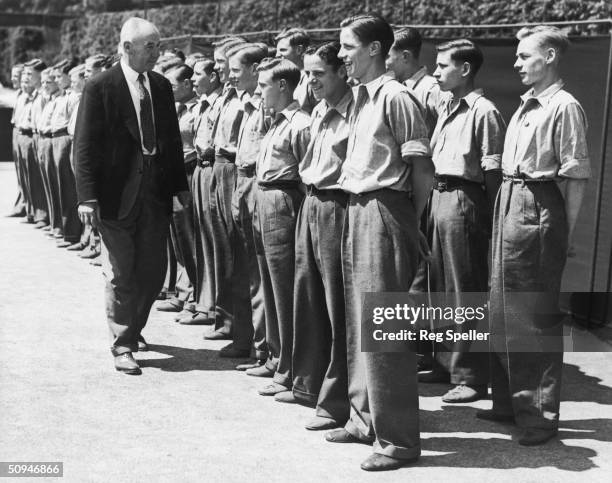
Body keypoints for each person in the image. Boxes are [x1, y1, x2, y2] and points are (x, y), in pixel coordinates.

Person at [325, 14, 433, 471]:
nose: (342, 55)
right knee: (357, 322)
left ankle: (399, 440)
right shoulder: (361, 99)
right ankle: (363, 417)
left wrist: (413, 222)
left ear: (374, 49)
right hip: (358, 209)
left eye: (348, 47)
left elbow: (422, 168)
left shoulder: (396, 97)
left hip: (386, 211)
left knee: (385, 328)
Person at [480, 25, 591, 445]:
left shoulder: (565, 107)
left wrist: (565, 232)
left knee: (534, 317)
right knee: (500, 307)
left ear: (549, 57)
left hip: (538, 206)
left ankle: (539, 417)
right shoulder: (528, 105)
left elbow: (575, 177)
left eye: (525, 56)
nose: (516, 63)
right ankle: (510, 404)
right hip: (509, 201)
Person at [74, 17, 189, 375]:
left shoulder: (161, 86)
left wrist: (179, 189)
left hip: (155, 193)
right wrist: (86, 197)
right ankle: (122, 344)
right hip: (115, 196)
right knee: (121, 272)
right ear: (127, 48)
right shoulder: (99, 87)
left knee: (154, 271)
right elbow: (84, 148)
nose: (158, 53)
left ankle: (134, 328)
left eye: (159, 45)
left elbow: (170, 143)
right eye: (151, 47)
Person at [418, 40, 505, 402]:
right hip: (438, 197)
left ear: (465, 69)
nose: (436, 73)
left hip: (463, 199)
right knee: (436, 286)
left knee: (465, 289)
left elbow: (493, 173)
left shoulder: (483, 111)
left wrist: (485, 215)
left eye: (443, 66)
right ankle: (443, 362)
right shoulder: (448, 106)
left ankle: (470, 375)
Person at [288, 42, 351, 427]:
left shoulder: (354, 113)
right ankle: (309, 386)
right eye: (307, 73)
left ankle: (337, 401)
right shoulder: (320, 112)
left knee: (338, 309)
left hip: (337, 207)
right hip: (311, 203)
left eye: (318, 73)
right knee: (308, 301)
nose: (310, 80)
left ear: (341, 72)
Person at [252, 58, 311, 397]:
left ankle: (291, 370)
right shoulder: (276, 122)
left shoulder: (299, 124)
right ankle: (277, 358)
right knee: (271, 289)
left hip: (283, 202)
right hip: (265, 199)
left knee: (287, 290)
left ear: (283, 87)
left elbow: (306, 178)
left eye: (264, 86)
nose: (260, 92)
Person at [225, 43, 269, 360]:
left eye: (236, 70)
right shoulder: (249, 103)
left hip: (257, 182)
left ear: (255, 69)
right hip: (241, 180)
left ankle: (264, 347)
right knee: (243, 267)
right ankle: (247, 339)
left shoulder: (268, 106)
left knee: (261, 271)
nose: (230, 77)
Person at [385, 27, 443, 136]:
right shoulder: (393, 88)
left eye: (387, 57)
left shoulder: (432, 89)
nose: (384, 63)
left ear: (405, 56)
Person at [18, 59, 49, 229]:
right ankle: (33, 211)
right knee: (29, 177)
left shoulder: (43, 94)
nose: (27, 77)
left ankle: (42, 215)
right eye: (26, 73)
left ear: (40, 74)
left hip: (37, 135)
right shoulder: (31, 94)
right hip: (28, 135)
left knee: (38, 177)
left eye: (30, 74)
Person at [275, 28, 317, 113]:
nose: (277, 55)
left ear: (299, 50)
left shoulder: (310, 80)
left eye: (283, 50)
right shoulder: (283, 79)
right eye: (277, 51)